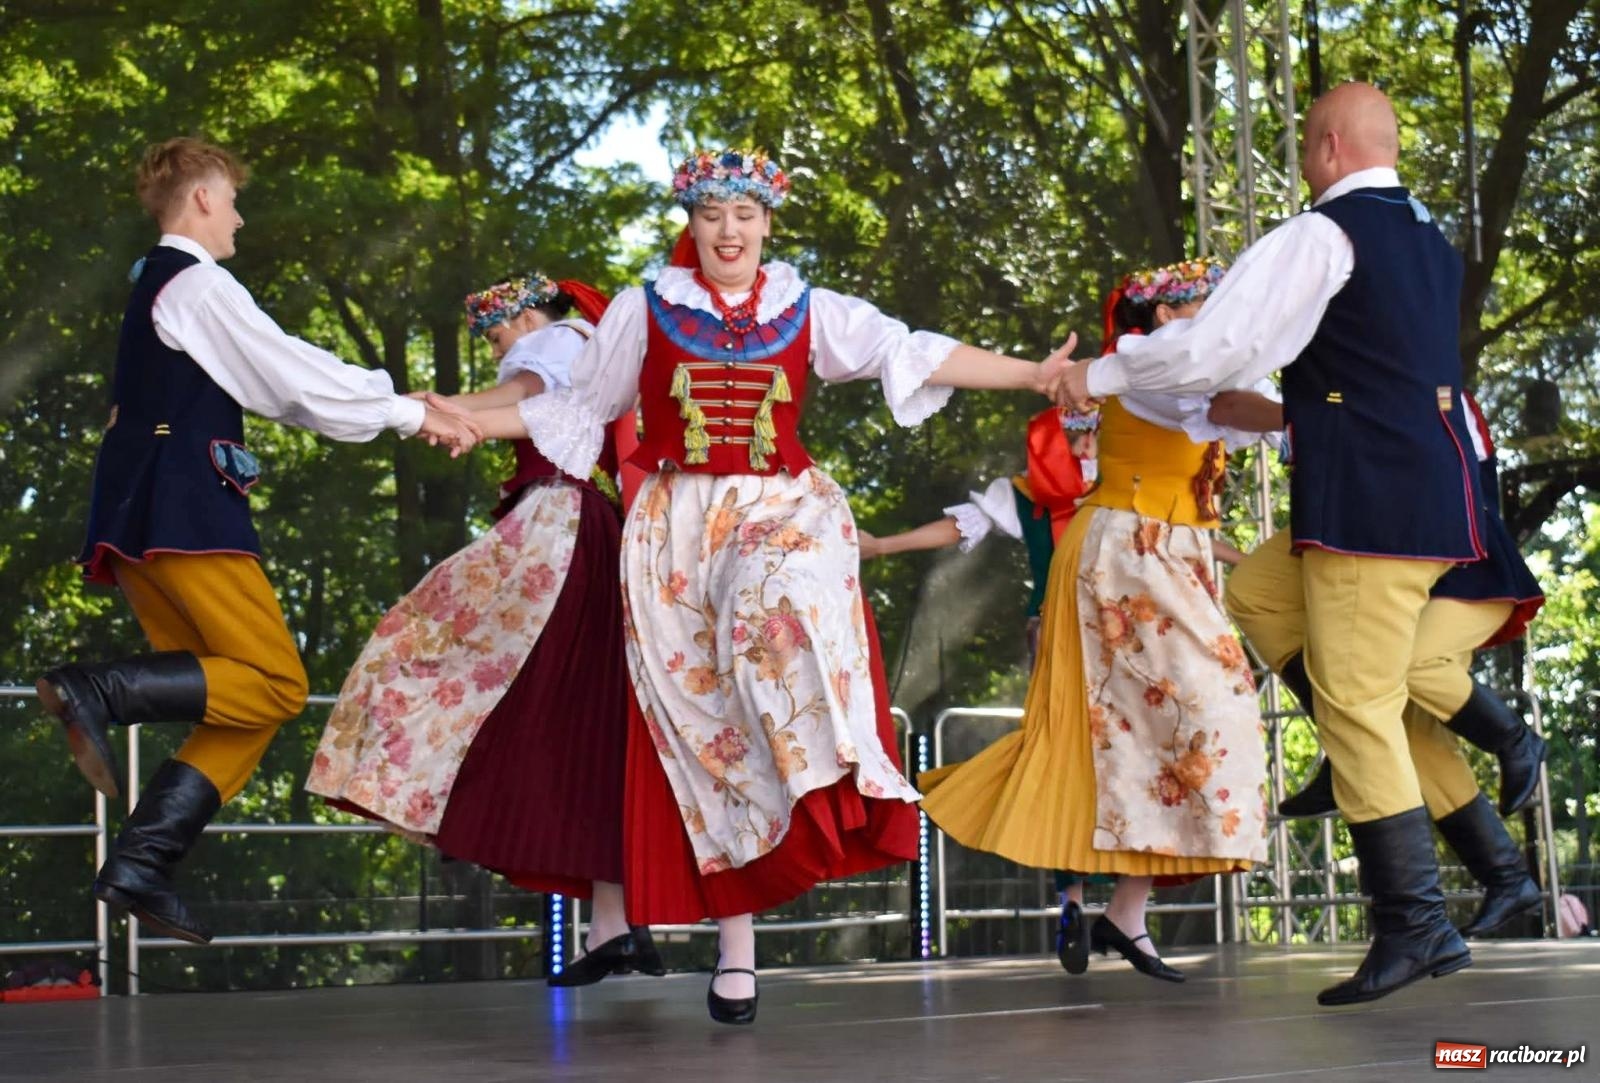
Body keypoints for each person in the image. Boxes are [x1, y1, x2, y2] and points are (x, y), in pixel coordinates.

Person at [462, 148, 1072, 1023]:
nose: (729, 231)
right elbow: (572, 408)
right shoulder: (645, 309)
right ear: (692, 226)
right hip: (675, 531)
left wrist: (1030, 373)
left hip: (776, 507)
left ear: (767, 225)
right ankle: (737, 950)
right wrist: (455, 418)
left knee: (769, 614)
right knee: (708, 733)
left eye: (745, 215)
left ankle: (841, 764)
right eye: (712, 215)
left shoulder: (807, 310)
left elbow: (912, 352)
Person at [1056, 83, 1488, 1006]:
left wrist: (1096, 371)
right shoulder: (1430, 242)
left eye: (1302, 143)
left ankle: (1416, 923)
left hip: (1366, 509)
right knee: (1257, 589)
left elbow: (1217, 348)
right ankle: (1359, 751)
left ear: (1328, 145)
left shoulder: (1323, 235)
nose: (1300, 157)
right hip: (1418, 498)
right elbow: (1349, 374)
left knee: (1361, 704)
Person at [35, 137, 478, 945]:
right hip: (186, 512)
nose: (239, 215)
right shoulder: (198, 283)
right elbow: (287, 376)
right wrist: (406, 412)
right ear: (202, 198)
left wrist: (387, 396)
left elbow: (280, 379)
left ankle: (142, 860)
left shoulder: (156, 288)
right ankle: (98, 690)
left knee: (239, 702)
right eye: (233, 199)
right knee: (276, 681)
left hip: (139, 516)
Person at [920, 258, 1270, 985]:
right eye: (1191, 307)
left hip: (1177, 555)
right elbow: (1233, 409)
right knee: (1189, 715)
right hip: (1128, 555)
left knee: (1172, 732)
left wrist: (1322, 407)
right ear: (1158, 319)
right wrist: (1322, 406)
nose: (1205, 317)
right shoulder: (1145, 363)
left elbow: (1251, 409)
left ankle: (1126, 912)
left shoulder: (1204, 365)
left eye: (1211, 304)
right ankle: (1087, 888)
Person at [307, 274, 665, 983]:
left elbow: (525, 394)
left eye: (497, 334)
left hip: (558, 526)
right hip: (587, 535)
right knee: (582, 727)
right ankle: (615, 924)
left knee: (421, 635)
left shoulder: (559, 341)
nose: (497, 348)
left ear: (528, 316)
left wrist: (435, 409)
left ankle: (419, 770)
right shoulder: (582, 352)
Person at [1216, 386, 1545, 938]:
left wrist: (1311, 409)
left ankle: (1514, 739)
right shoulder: (1327, 386)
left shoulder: (1416, 380)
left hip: (1459, 560)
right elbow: (1231, 408)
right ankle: (1507, 877)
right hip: (1354, 534)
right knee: (1255, 591)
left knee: (1415, 671)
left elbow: (1436, 462)